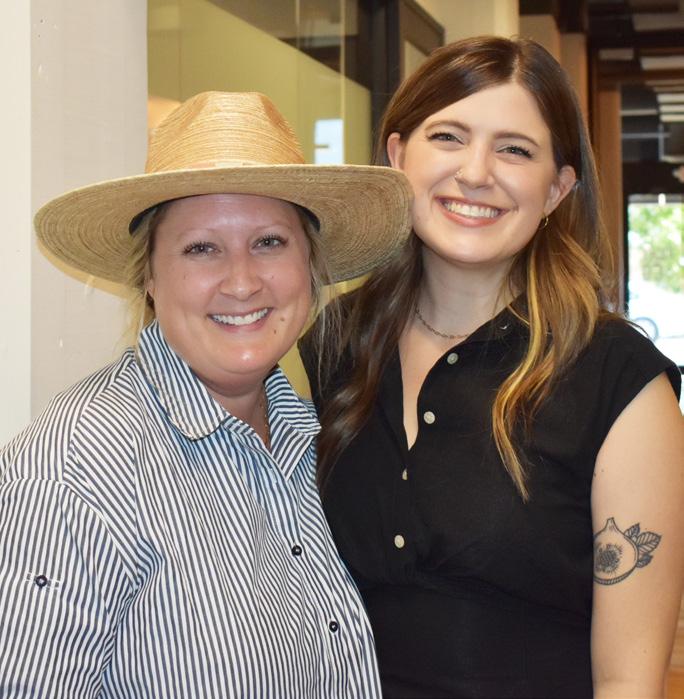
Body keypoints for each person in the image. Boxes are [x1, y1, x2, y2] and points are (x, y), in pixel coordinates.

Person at [300, 37, 684, 698]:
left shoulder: (617, 379)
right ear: (398, 156)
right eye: (448, 137)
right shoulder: (331, 342)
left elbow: (629, 680)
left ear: (557, 188)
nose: (476, 173)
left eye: (515, 150)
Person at [0, 91, 412, 698]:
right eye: (201, 248)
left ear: (310, 265)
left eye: (269, 242)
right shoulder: (75, 470)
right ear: (149, 276)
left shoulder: (317, 435)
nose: (242, 282)